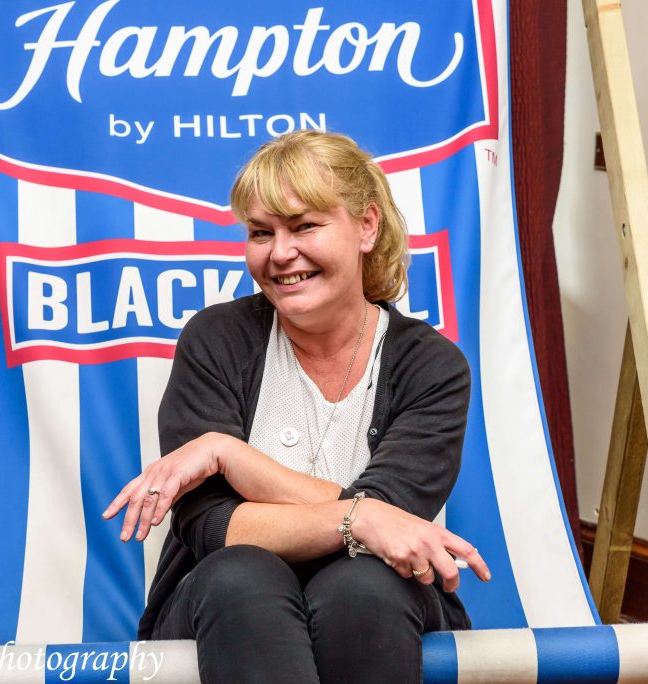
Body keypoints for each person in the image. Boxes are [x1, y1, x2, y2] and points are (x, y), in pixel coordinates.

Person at [103, 130, 490, 683]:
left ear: (367, 226)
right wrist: (364, 518)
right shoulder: (216, 340)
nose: (281, 254)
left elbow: (391, 518)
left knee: (365, 583)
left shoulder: (432, 367)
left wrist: (228, 455)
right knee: (242, 573)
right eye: (262, 232)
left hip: (379, 609)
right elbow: (215, 528)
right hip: (218, 607)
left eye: (306, 226)